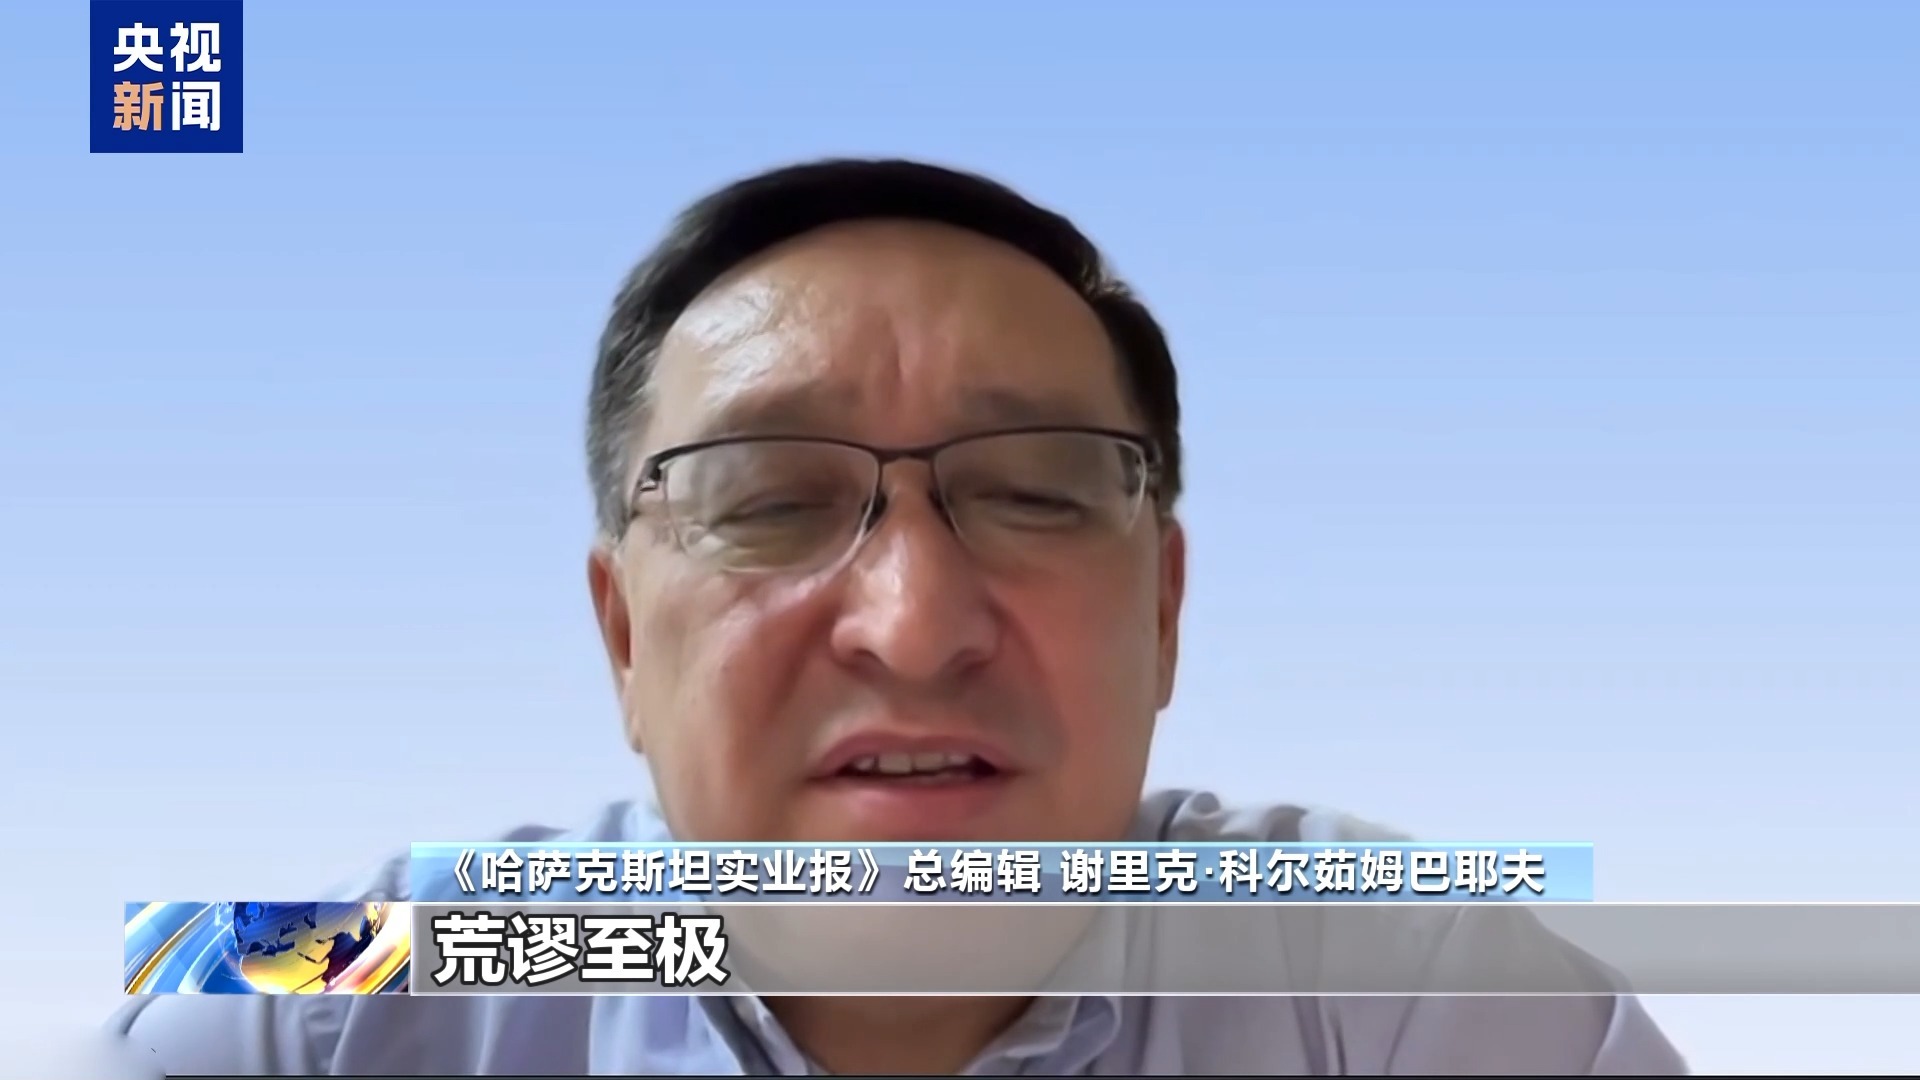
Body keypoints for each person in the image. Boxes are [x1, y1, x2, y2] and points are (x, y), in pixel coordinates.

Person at [111, 158, 1686, 1075]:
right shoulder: (332, 991)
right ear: (622, 639)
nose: (915, 624)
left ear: (1165, 611)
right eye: (769, 500)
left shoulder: (1407, 991)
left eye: (1038, 492)